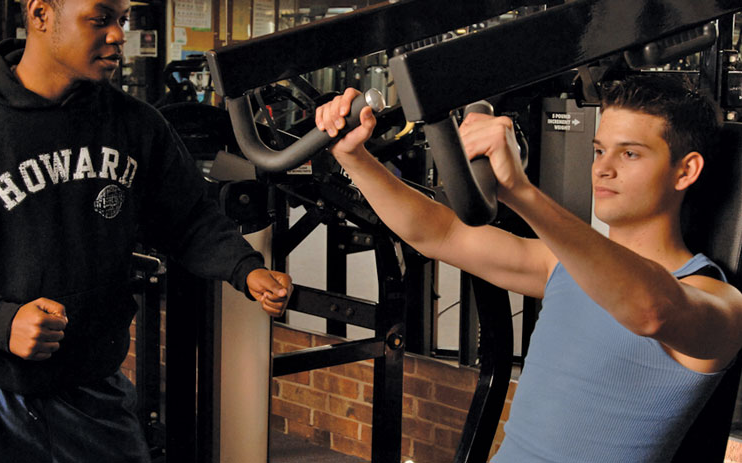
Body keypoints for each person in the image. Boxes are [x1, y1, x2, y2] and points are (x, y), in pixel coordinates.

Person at [0, 0, 292, 462]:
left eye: (123, 20)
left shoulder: (135, 125)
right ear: (40, 15)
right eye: (100, 18)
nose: (118, 35)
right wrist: (0, 321)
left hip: (91, 382)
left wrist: (245, 268)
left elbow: (187, 217)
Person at [315, 75, 742, 461]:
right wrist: (355, 158)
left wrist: (520, 192)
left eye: (629, 153)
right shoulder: (558, 263)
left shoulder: (719, 302)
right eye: (599, 149)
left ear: (685, 171)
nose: (603, 168)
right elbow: (438, 233)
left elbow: (652, 311)